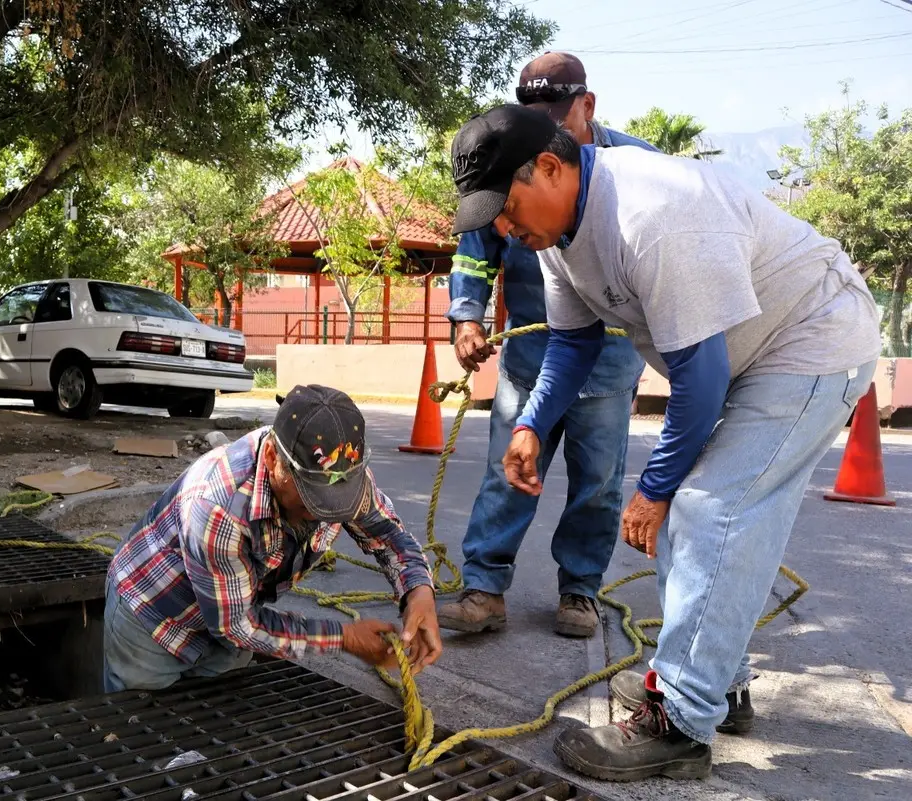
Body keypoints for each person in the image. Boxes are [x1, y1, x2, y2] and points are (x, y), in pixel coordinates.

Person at [449, 104, 881, 781]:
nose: (503, 229)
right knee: (698, 512)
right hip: (751, 354)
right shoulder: (559, 237)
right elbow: (572, 343)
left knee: (710, 510)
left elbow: (700, 380)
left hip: (813, 338)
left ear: (553, 168)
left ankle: (679, 721)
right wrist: (531, 423)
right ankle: (717, 685)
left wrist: (652, 492)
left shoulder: (652, 215)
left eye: (505, 207)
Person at [439, 52, 654, 639]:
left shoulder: (636, 168)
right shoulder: (508, 155)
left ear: (588, 105)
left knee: (598, 483)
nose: (548, 133)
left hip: (609, 360)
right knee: (509, 469)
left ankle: (580, 592)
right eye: (534, 116)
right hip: (535, 354)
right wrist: (465, 315)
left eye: (559, 116)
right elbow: (475, 249)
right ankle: (483, 587)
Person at [104, 384, 442, 692]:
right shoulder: (218, 505)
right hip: (154, 618)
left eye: (335, 500)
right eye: (314, 498)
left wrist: (419, 593)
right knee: (143, 729)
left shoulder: (340, 474)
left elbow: (387, 533)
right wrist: (346, 638)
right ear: (272, 459)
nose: (327, 513)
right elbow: (237, 626)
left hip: (232, 614)